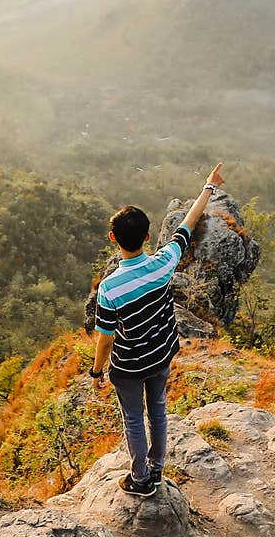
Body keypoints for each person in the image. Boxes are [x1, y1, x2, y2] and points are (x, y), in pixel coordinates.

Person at [90, 162, 225, 497]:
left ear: (112, 239)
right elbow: (188, 224)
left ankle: (140, 479)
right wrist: (208, 186)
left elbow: (105, 339)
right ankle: (158, 469)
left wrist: (96, 373)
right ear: (148, 236)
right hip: (162, 354)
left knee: (134, 419)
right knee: (158, 411)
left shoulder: (110, 288)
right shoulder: (164, 262)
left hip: (130, 366)